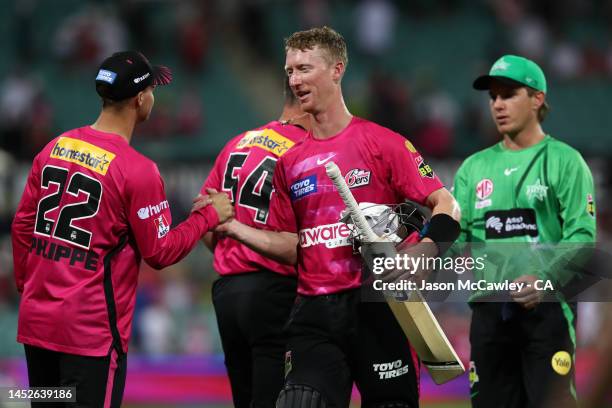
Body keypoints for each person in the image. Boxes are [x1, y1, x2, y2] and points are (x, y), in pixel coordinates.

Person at [216, 26, 460, 407]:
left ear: (337, 69)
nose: (295, 80)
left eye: (305, 68)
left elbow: (447, 204)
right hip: (313, 314)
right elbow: (291, 245)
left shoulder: (383, 143)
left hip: (377, 308)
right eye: (290, 70)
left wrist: (427, 249)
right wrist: (233, 227)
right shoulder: (290, 162)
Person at [11, 51, 233, 408]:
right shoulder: (137, 170)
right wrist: (209, 216)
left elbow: (22, 226)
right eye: (153, 90)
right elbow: (160, 252)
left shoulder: (55, 146)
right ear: (141, 99)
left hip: (37, 327)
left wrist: (30, 287)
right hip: (90, 337)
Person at [453, 54, 596, 408]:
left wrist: (544, 278)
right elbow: (457, 236)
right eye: (494, 97)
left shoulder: (565, 161)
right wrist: (419, 257)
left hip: (546, 311)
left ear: (537, 98)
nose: (498, 104)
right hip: (489, 313)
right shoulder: (473, 168)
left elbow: (582, 236)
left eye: (509, 94)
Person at [200, 79, 309, 407]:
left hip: (228, 292)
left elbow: (206, 228)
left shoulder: (238, 143)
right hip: (275, 290)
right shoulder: (305, 148)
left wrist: (236, 244)